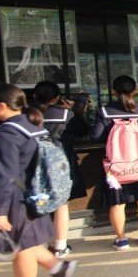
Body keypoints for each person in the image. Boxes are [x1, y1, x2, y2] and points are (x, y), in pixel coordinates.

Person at [0, 83, 77, 277]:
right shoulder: (30, 125)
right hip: (32, 195)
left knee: (22, 247)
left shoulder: (7, 133)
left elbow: (4, 174)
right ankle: (58, 268)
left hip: (16, 200)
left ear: (1, 105)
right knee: (24, 244)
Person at [91, 75, 138, 250]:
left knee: (117, 203)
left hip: (116, 166)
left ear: (113, 91)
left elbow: (95, 136)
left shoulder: (104, 112)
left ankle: (121, 239)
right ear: (135, 91)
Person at [34, 81, 88, 258]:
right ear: (57, 97)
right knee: (61, 203)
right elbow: (82, 131)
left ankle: (39, 242)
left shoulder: (28, 115)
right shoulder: (66, 115)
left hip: (34, 164)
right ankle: (60, 245)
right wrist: (77, 112)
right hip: (60, 163)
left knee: (37, 199)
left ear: (35, 96)